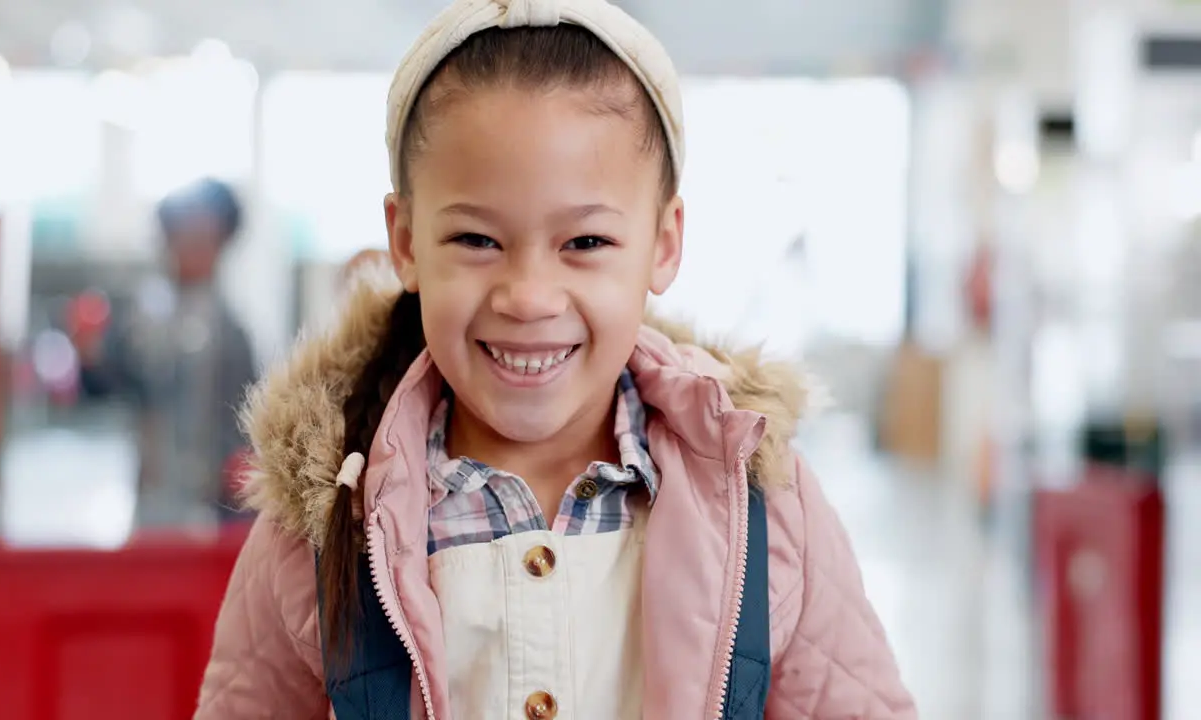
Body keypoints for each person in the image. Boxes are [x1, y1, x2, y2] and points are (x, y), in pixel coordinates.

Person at [196, 1, 915, 717]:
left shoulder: (764, 505)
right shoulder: (325, 523)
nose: (530, 297)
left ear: (663, 244)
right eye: (477, 240)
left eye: (586, 243)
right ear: (407, 240)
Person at [75, 178, 257, 526]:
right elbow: (110, 383)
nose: (189, 246)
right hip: (154, 500)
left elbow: (248, 423)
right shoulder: (142, 317)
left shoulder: (233, 330)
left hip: (216, 507)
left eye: (202, 236)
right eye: (181, 234)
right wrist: (89, 357)